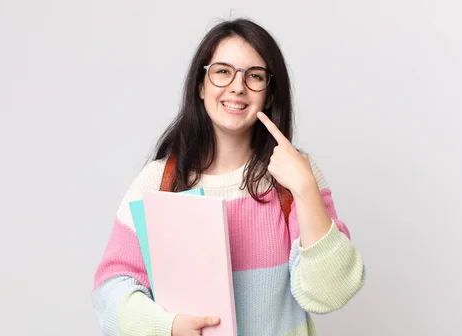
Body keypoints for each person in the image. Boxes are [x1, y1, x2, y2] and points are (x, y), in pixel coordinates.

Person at [91, 18, 365, 336]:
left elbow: (330, 293)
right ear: (201, 84)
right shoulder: (158, 183)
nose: (237, 86)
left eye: (255, 76)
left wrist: (304, 187)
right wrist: (166, 327)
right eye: (223, 71)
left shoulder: (294, 177)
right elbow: (109, 290)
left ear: (270, 94)